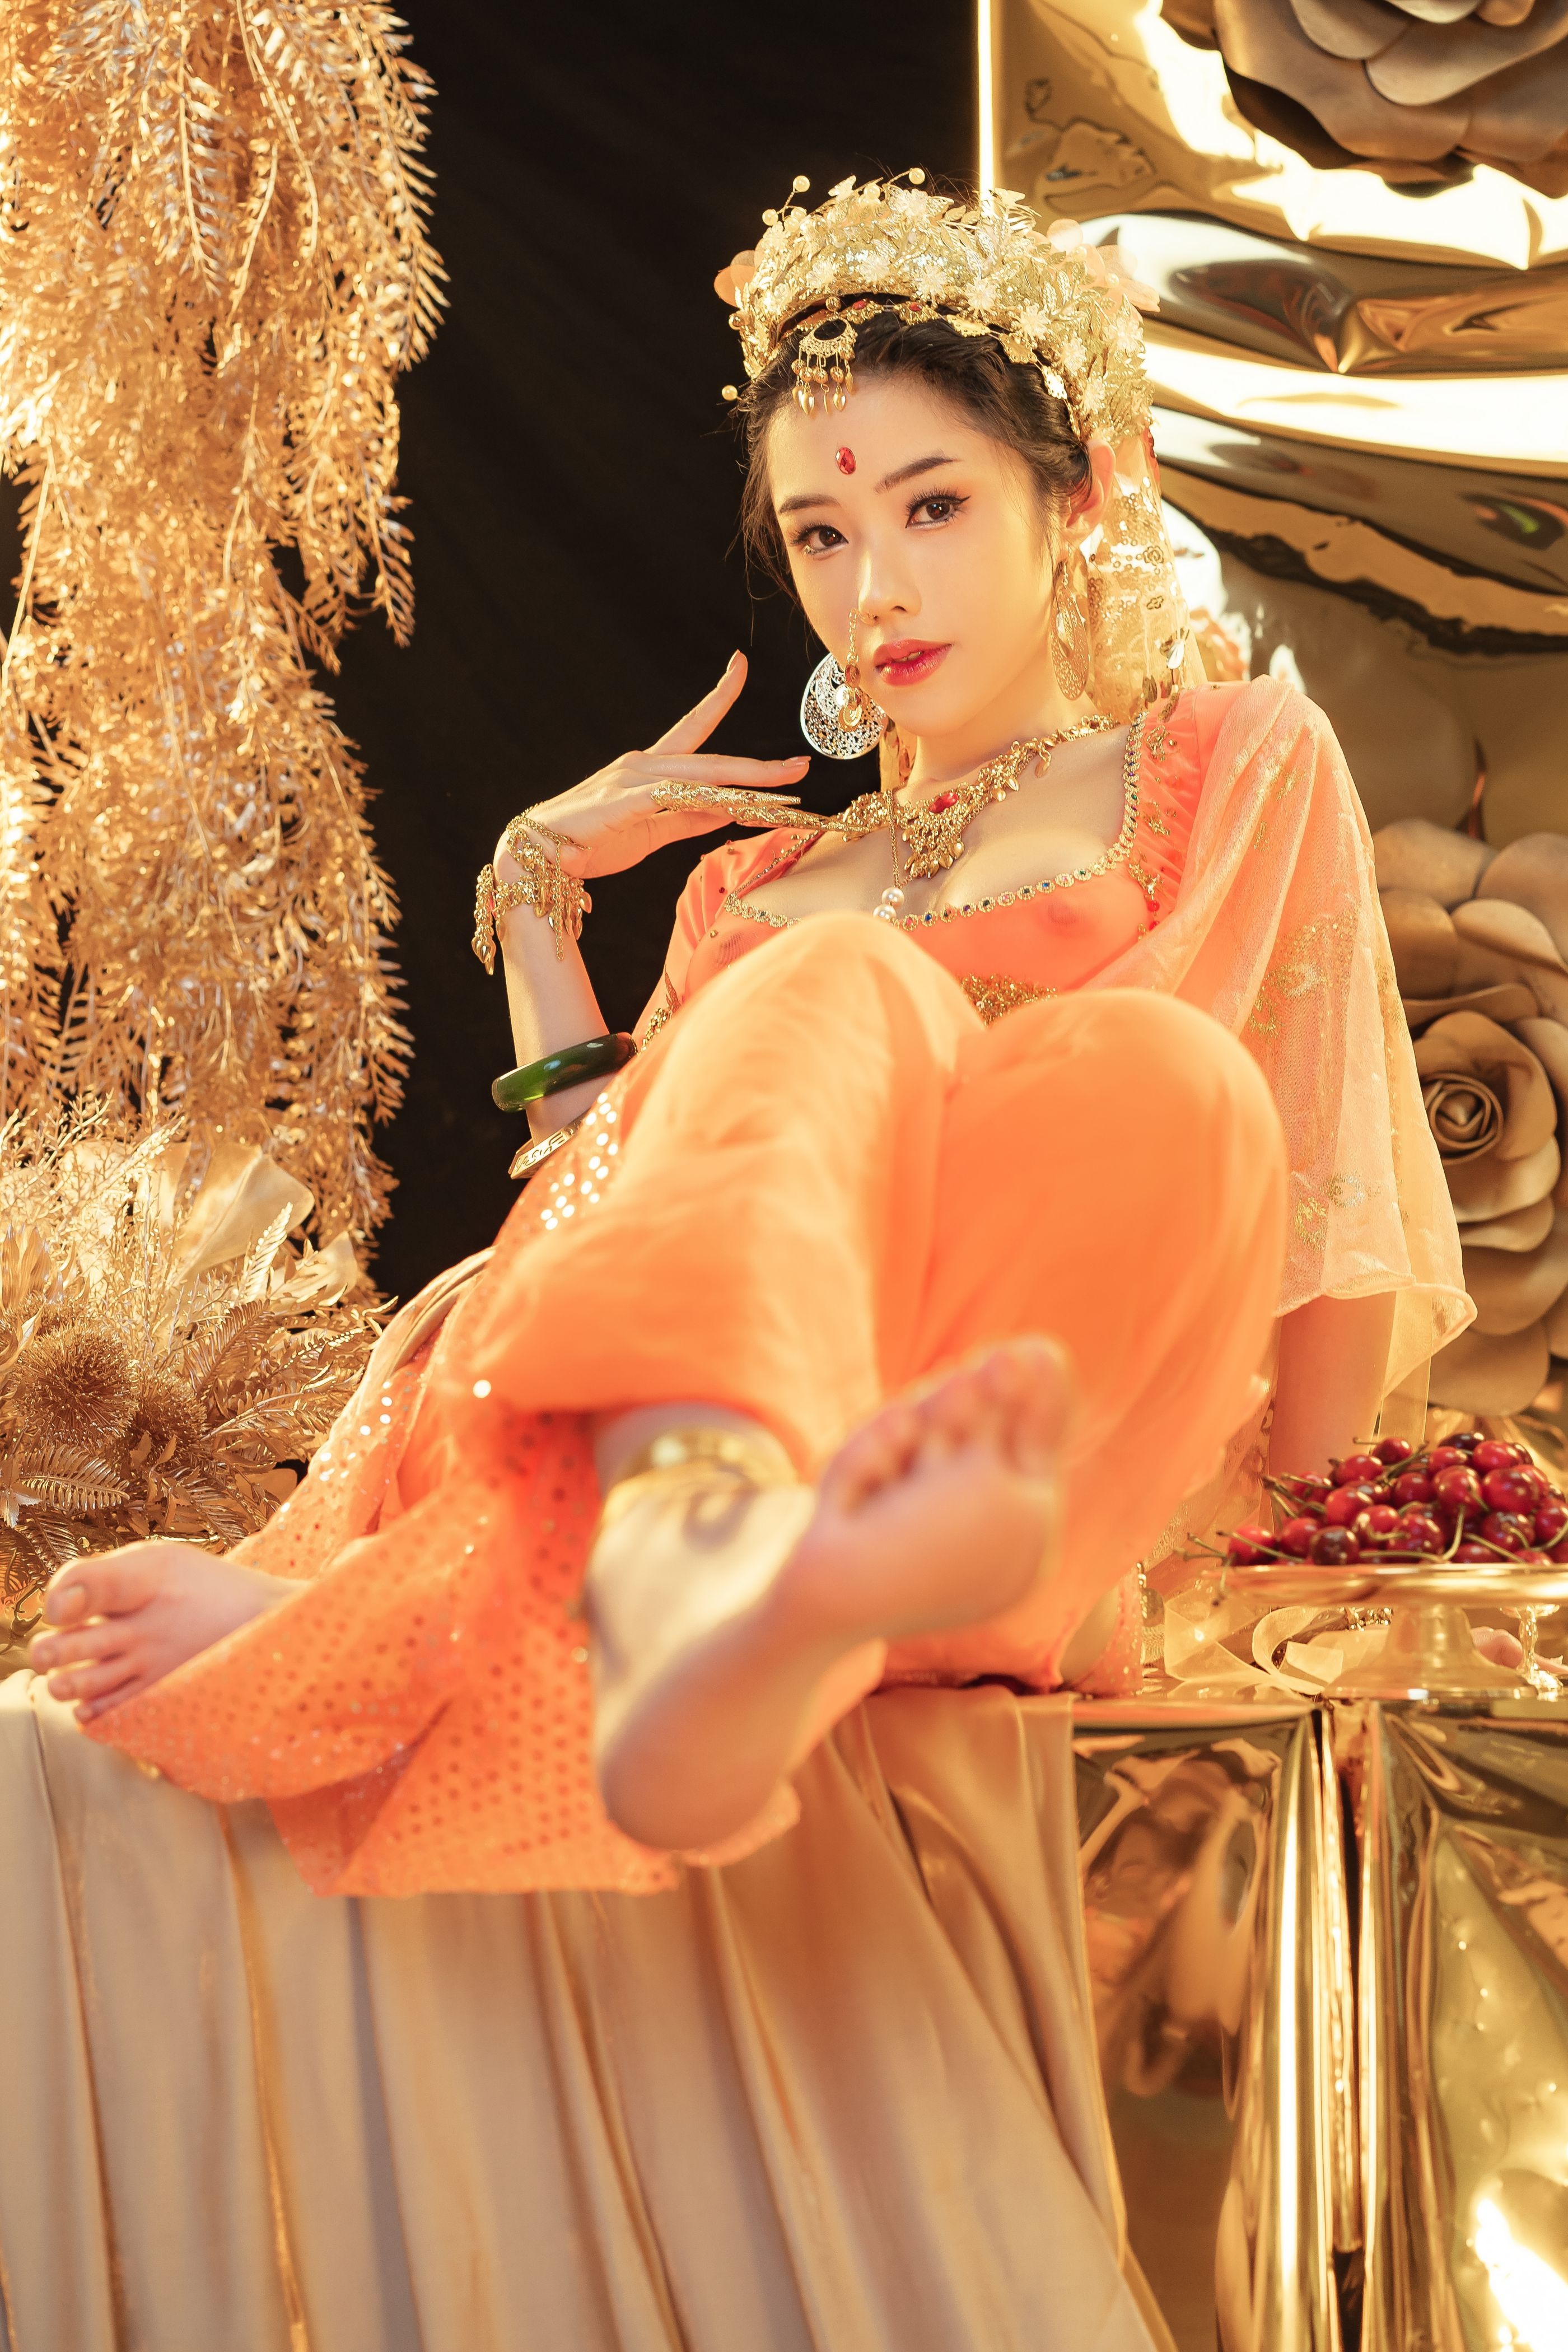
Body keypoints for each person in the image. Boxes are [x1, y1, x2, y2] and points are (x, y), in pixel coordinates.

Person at [6, 176, 1466, 2349]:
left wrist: (1310, 1550)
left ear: (1079, 493)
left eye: (932, 507)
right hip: (734, 1440)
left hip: (1020, 1430)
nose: (875, 586)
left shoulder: (1226, 761)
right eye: (819, 532)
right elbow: (607, 1213)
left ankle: (638, 1601)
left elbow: (1311, 1189)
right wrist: (533, 911)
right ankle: (715, 1589)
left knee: (1166, 1078)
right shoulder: (764, 893)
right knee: (825, 990)